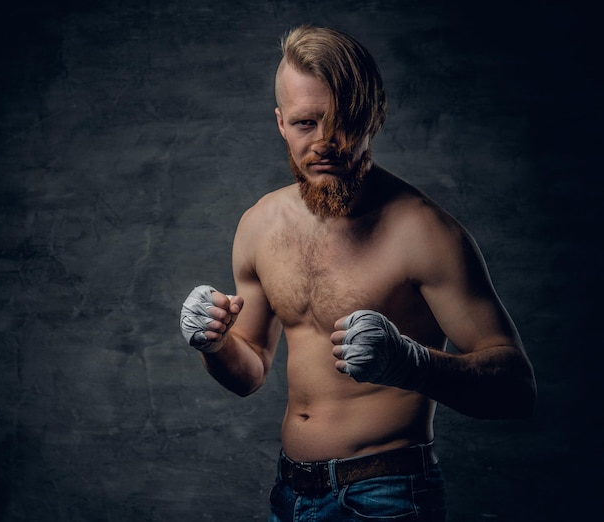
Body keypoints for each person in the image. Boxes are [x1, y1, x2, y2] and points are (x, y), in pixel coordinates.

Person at [179, 26, 536, 522]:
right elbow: (251, 371)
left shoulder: (424, 232)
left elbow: (516, 389)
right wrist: (213, 343)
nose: (325, 142)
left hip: (389, 494)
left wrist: (409, 364)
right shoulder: (259, 225)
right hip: (291, 493)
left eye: (344, 122)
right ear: (281, 123)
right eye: (306, 124)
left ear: (376, 115)